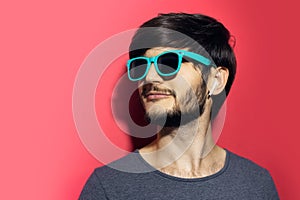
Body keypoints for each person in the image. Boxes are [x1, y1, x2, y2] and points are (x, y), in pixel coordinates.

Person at [79, 13, 279, 199]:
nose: (149, 77)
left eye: (169, 62)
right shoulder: (109, 186)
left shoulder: (256, 185)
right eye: (142, 66)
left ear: (216, 80)